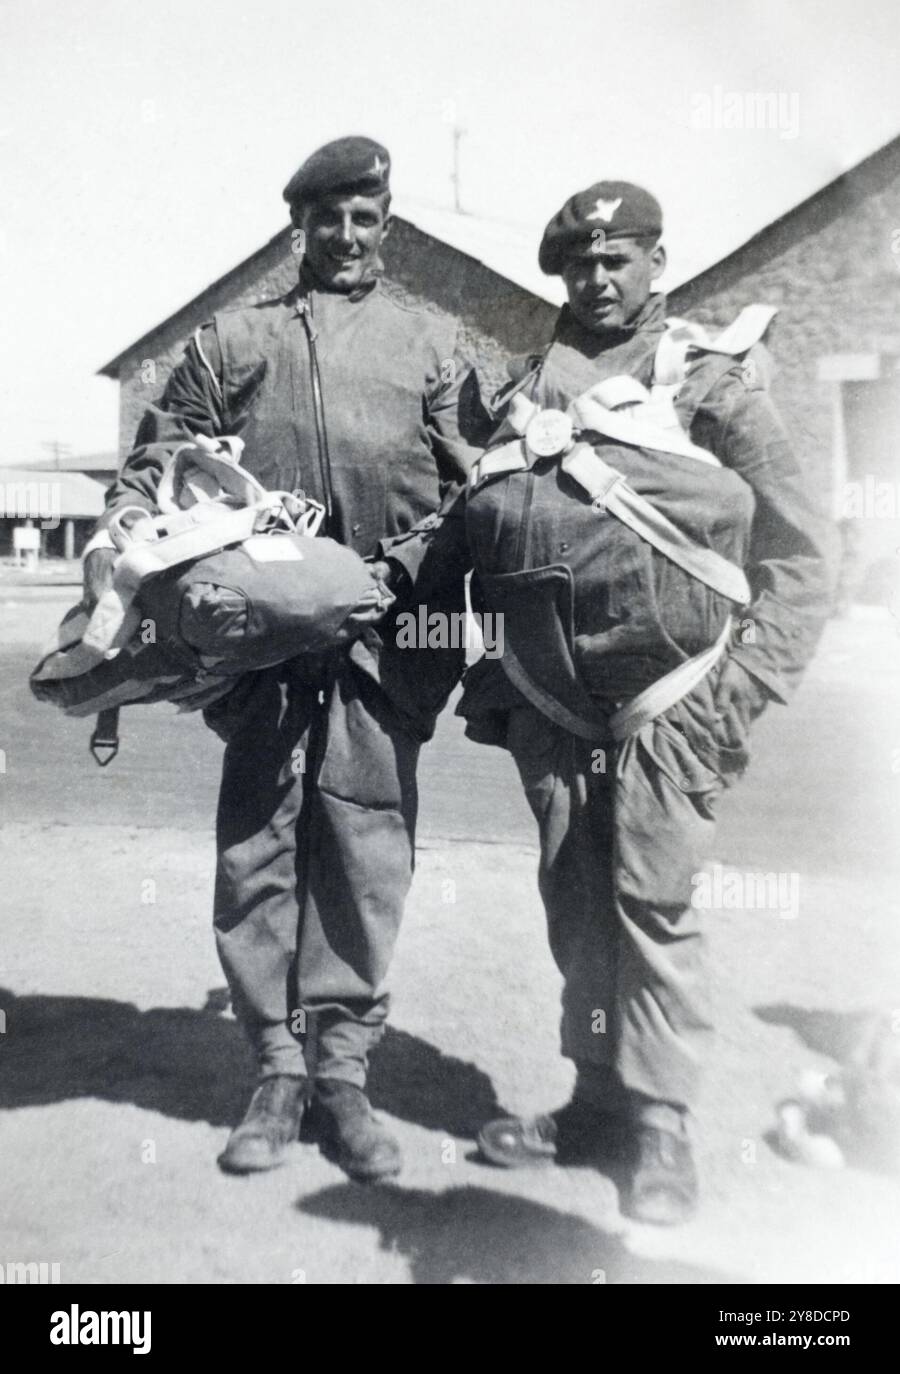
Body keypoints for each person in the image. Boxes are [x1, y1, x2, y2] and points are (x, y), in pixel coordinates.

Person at [382, 180, 835, 1223]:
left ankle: (663, 1123)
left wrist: (736, 696)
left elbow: (805, 555)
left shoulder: (705, 375)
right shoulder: (519, 390)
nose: (597, 277)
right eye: (580, 264)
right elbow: (464, 531)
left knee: (653, 904)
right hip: (551, 706)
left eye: (617, 258)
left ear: (656, 263)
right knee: (576, 908)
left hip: (674, 703)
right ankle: (594, 1102)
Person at [84, 136, 487, 1180]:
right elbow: (155, 469)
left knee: (365, 851)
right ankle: (274, 1068)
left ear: (386, 225)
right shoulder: (230, 343)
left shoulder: (431, 346)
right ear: (295, 228)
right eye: (327, 219)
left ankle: (343, 1074)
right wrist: (142, 562)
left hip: (382, 644)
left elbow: (471, 497)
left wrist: (390, 580)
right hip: (258, 656)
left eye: (365, 217)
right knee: (258, 845)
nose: (347, 237)